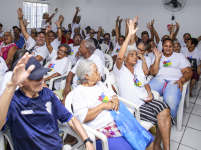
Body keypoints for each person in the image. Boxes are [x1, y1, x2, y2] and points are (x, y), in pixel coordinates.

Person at [0, 53, 95, 150]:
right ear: (20, 82)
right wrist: (11, 86)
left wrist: (87, 141)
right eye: (34, 77)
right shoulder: (13, 103)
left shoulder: (48, 94)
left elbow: (70, 118)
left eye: (41, 75)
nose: (41, 80)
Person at [113, 16, 174, 150]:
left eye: (136, 54)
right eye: (132, 55)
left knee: (166, 109)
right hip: (135, 106)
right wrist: (129, 35)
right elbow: (119, 56)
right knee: (162, 117)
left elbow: (145, 83)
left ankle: (162, 147)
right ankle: (159, 146)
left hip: (146, 99)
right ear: (125, 58)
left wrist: (149, 92)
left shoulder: (138, 67)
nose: (136, 56)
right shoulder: (120, 69)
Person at [73, 59, 154, 150]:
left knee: (149, 140)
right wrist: (103, 106)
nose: (99, 72)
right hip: (101, 128)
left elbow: (111, 94)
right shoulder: (79, 93)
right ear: (87, 76)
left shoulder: (99, 84)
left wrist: (115, 98)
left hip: (118, 119)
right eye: (96, 71)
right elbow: (82, 118)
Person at [149, 38, 193, 118]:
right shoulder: (157, 55)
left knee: (170, 99)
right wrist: (157, 58)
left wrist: (182, 80)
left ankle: (168, 120)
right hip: (159, 79)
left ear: (173, 47)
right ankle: (150, 117)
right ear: (162, 46)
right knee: (147, 94)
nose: (168, 48)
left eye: (170, 46)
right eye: (166, 46)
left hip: (175, 81)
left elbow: (189, 71)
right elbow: (153, 73)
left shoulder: (179, 56)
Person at [45, 26, 71, 90]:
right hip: (46, 78)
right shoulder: (55, 55)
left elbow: (58, 74)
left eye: (63, 51)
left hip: (52, 83)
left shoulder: (65, 60)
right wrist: (46, 34)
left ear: (66, 54)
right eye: (59, 50)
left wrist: (45, 79)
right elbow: (48, 45)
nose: (60, 52)